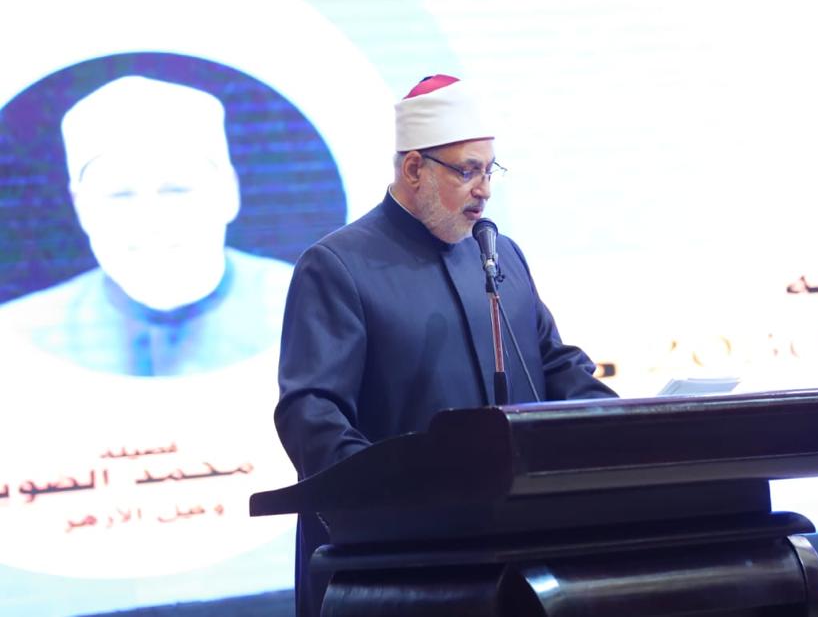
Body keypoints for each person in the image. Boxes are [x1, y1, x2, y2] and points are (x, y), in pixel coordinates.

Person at [275, 74, 617, 616]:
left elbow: (552, 364)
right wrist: (391, 500)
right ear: (415, 168)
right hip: (394, 568)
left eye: (490, 170)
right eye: (467, 170)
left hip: (514, 557)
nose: (484, 189)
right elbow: (310, 413)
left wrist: (624, 426)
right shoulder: (337, 265)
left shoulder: (498, 253)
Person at [0, 75, 294, 375]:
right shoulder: (20, 337)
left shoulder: (309, 310)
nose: (151, 218)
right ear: (82, 208)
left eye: (176, 190)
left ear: (228, 193)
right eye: (120, 195)